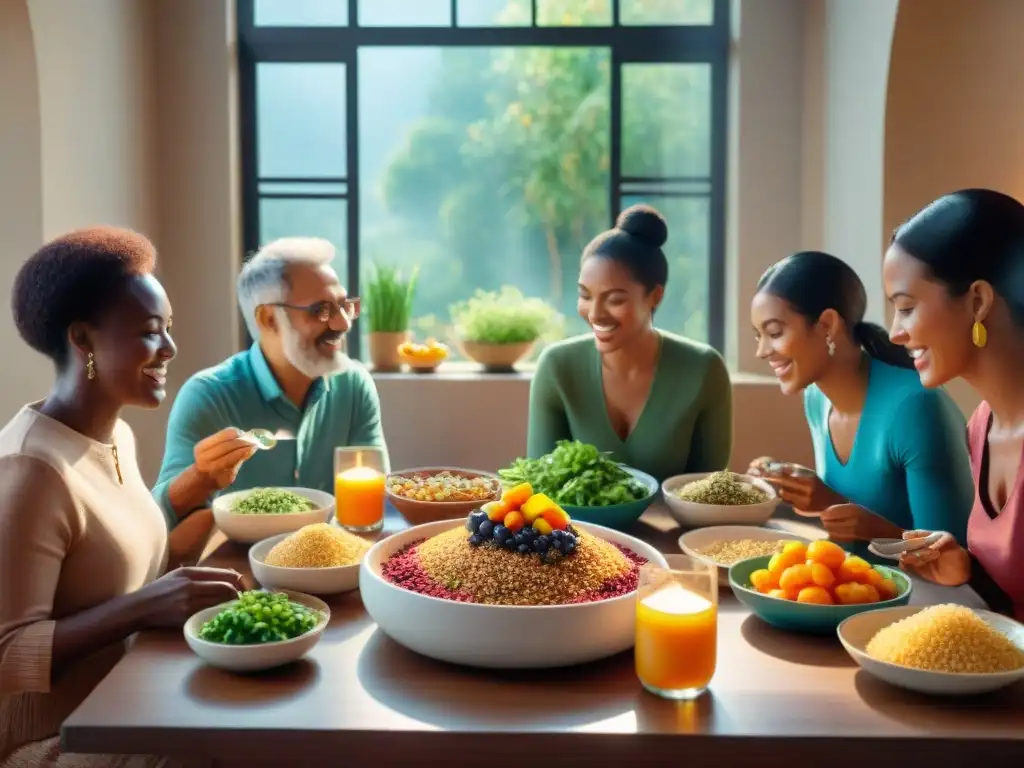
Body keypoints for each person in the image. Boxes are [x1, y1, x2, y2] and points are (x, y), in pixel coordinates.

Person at [0, 227, 241, 767]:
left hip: (126, 699)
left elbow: (126, 569)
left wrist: (200, 490)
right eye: (152, 332)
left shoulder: (114, 437)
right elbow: (8, 653)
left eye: (169, 330)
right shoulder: (29, 468)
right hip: (54, 741)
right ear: (83, 339)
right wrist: (144, 607)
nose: (170, 350)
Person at [153, 237, 388, 526]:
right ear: (269, 319)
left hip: (334, 562)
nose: (343, 323)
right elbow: (157, 518)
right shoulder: (208, 395)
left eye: (344, 306)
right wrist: (200, 477)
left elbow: (375, 499)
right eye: (321, 310)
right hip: (236, 567)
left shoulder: (354, 385)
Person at [747, 251, 973, 546]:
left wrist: (841, 508)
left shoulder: (917, 408)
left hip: (920, 592)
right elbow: (850, 508)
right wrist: (792, 484)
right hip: (849, 582)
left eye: (774, 332)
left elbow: (952, 557)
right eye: (758, 336)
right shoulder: (815, 397)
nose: (762, 351)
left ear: (827, 324)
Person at [886, 189, 1024, 620]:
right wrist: (969, 570)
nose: (894, 333)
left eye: (906, 308)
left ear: (978, 302)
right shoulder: (981, 426)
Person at [527, 204, 732, 481]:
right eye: (585, 295)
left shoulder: (703, 369)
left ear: (654, 297)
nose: (596, 313)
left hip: (681, 526)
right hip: (578, 526)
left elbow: (708, 493)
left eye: (614, 299)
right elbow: (540, 485)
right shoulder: (557, 367)